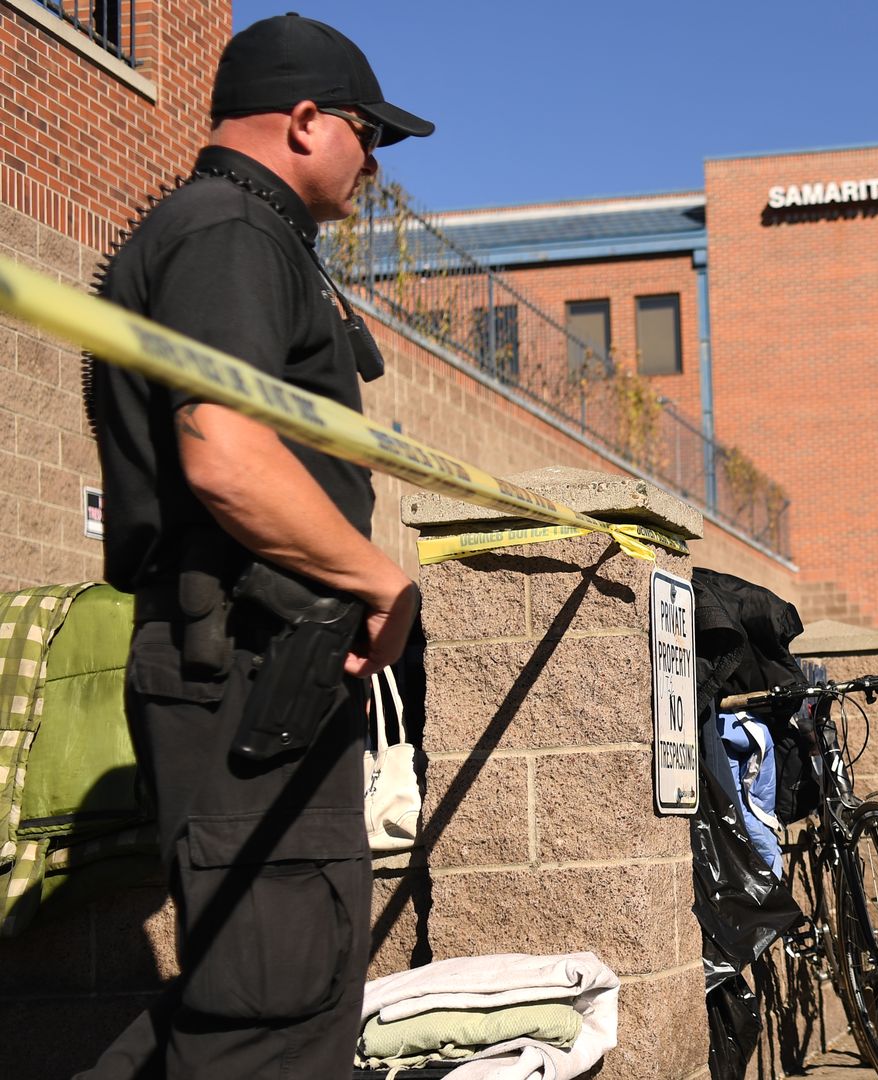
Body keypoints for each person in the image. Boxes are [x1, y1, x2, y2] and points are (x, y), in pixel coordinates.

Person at [80, 14, 431, 1078]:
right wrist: (381, 580)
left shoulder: (245, 232)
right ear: (306, 118)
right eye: (368, 133)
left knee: (271, 999)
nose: (374, 162)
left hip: (260, 671)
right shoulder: (230, 231)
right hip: (242, 669)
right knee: (269, 1020)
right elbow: (225, 454)